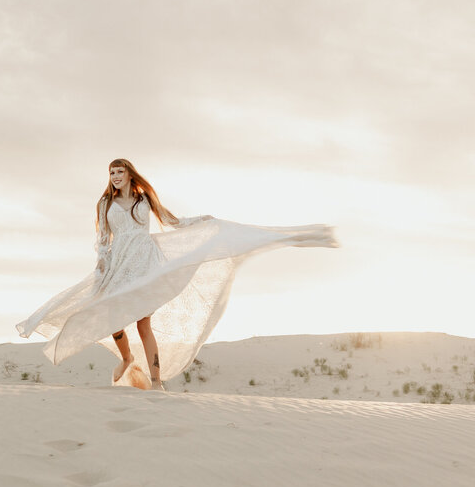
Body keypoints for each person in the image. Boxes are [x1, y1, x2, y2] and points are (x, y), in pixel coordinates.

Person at [17, 158, 338, 390]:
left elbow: (172, 222)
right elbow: (102, 239)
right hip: (119, 264)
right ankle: (127, 359)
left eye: (120, 171)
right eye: (111, 172)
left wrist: (202, 222)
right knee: (111, 316)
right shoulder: (104, 203)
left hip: (146, 261)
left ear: (130, 174)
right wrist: (101, 269)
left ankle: (156, 383)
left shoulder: (144, 199)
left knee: (144, 322)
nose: (115, 176)